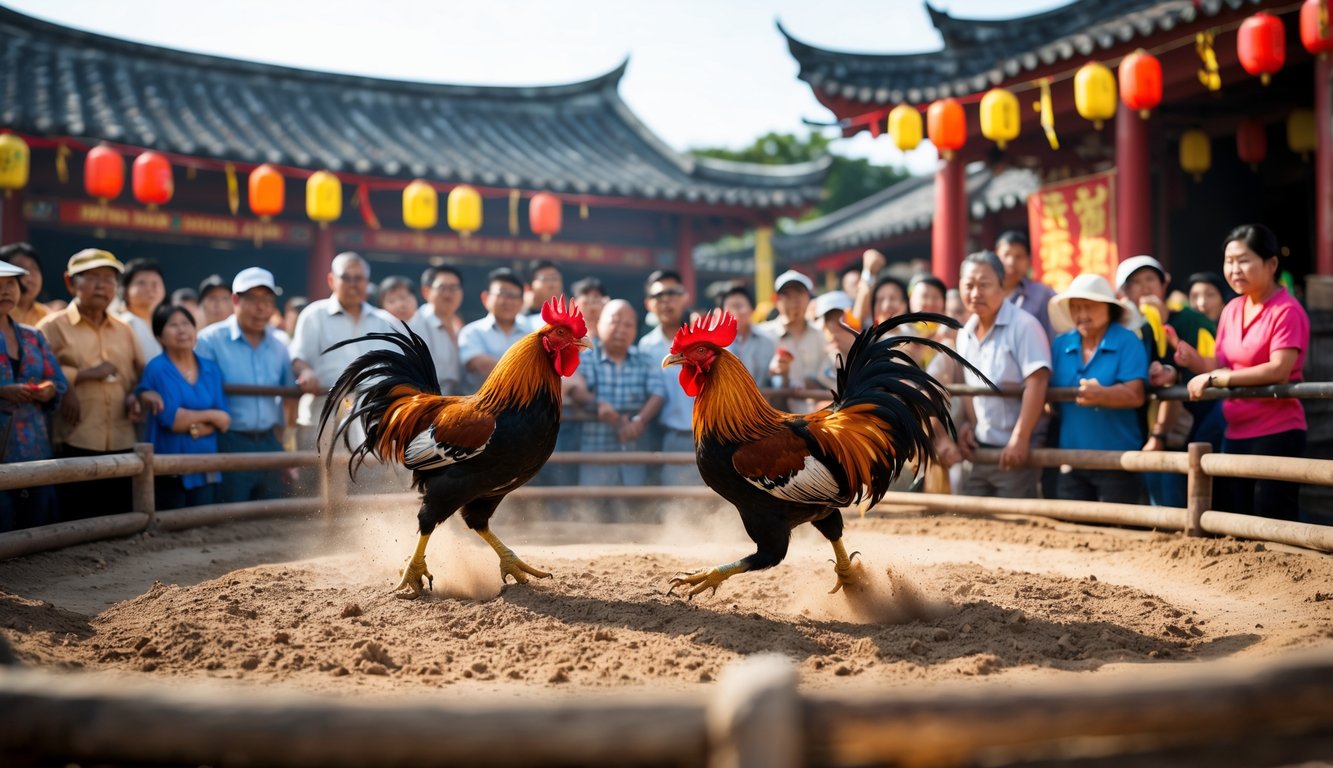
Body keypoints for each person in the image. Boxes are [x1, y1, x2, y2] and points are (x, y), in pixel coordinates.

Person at [1182, 224, 1309, 522]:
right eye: (1229, 261)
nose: (1235, 269)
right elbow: (1221, 362)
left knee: (1273, 520)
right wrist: (1193, 362)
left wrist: (1215, 378)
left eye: (1244, 260)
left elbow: (1279, 370)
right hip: (1235, 432)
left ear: (1272, 263)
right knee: (1234, 519)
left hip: (1277, 432)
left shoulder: (1286, 310)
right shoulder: (1231, 309)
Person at [36, 249, 147, 518]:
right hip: (76, 437)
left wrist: (136, 397)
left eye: (109, 279)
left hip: (122, 439)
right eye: (93, 277)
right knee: (77, 518)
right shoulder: (51, 326)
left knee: (118, 520)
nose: (103, 285)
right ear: (70, 282)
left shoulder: (124, 329)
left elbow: (138, 378)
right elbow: (34, 374)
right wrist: (77, 378)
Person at [1115, 254, 1218, 506]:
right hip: (1144, 427)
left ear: (1164, 284)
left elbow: (1212, 364)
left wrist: (1176, 373)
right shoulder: (1129, 330)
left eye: (1151, 278)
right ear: (1125, 292)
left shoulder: (1192, 320)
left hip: (1193, 424)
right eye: (1136, 282)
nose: (1146, 286)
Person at [954, 251, 1051, 499]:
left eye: (984, 285)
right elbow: (969, 386)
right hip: (980, 450)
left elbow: (1037, 382)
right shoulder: (964, 333)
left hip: (1016, 450)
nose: (975, 293)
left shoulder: (1024, 325)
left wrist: (1020, 438)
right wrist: (971, 426)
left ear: (1002, 285)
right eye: (969, 285)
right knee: (972, 522)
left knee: (1015, 524)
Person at [195, 267, 295, 503]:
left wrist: (281, 436)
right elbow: (200, 392)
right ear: (235, 300)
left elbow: (290, 391)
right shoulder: (209, 340)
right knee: (230, 515)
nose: (261, 308)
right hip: (229, 440)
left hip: (270, 440)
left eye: (268, 300)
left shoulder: (280, 344)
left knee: (271, 517)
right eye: (253, 299)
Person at [1047, 274, 1148, 503]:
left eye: (1089, 307)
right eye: (1076, 307)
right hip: (1071, 458)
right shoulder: (1061, 344)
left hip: (1118, 460)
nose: (1082, 315)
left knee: (1119, 531)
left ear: (1109, 308)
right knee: (1071, 532)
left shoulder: (1127, 340)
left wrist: (1102, 395)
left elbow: (1136, 394)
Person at [289, 252, 397, 459]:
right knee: (319, 483)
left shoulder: (384, 321)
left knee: (370, 483)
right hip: (324, 414)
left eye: (359, 279)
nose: (353, 284)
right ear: (331, 280)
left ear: (367, 282)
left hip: (371, 415)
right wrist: (306, 372)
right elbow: (298, 357)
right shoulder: (314, 315)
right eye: (346, 278)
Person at [137, 304, 229, 509]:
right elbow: (172, 419)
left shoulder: (210, 368)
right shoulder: (157, 368)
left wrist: (195, 421)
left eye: (186, 324)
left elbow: (224, 420)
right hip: (170, 466)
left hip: (206, 464)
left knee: (205, 527)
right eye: (173, 325)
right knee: (173, 529)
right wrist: (210, 416)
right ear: (159, 337)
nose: (182, 330)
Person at [569, 300, 665, 494]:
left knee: (631, 510)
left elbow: (658, 393)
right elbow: (573, 389)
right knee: (590, 511)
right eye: (614, 321)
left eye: (628, 324)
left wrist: (639, 420)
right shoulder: (584, 358)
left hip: (633, 452)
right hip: (595, 454)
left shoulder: (645, 359)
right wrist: (597, 404)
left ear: (636, 330)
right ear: (599, 324)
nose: (621, 329)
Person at [0, 260, 66, 530]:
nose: (5, 291)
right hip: (2, 449)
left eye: (11, 284)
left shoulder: (32, 336)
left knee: (38, 527)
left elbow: (58, 382)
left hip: (35, 446)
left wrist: (48, 390)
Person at [637, 269, 701, 485]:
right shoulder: (646, 345)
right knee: (675, 503)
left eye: (672, 294)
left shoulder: (702, 340)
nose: (666, 301)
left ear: (685, 297)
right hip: (671, 437)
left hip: (710, 435)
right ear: (649, 304)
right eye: (658, 296)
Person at [758, 270, 828, 413]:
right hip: (774, 419)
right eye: (787, 295)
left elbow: (829, 378)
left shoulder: (822, 336)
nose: (794, 300)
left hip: (818, 418)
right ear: (775, 299)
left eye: (799, 294)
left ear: (808, 298)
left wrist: (810, 383)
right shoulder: (763, 335)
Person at [457, 268, 534, 394]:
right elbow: (480, 365)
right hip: (479, 409)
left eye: (514, 296)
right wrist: (528, 373)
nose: (508, 301)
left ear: (522, 302)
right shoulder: (471, 332)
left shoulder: (531, 333)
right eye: (502, 294)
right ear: (485, 298)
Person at [408, 266, 464, 396]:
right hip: (428, 402)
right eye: (443, 288)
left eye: (454, 288)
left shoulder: (460, 326)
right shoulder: (415, 325)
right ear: (426, 291)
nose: (448, 294)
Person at [995, 230, 1056, 340]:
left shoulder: (1043, 295)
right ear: (995, 257)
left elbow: (1052, 337)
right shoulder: (985, 294)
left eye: (1019, 256)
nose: (1011, 262)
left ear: (1029, 260)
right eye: (1006, 254)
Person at [719, 285, 777, 385]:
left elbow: (774, 380)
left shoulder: (767, 340)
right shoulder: (716, 344)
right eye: (730, 307)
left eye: (739, 306)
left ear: (752, 309)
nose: (735, 312)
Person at [115, 257, 166, 360]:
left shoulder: (164, 325)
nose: (150, 289)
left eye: (155, 283)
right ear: (124, 290)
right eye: (141, 283)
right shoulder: (124, 322)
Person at [0, 242, 51, 327]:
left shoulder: (48, 317)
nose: (29, 278)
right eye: (21, 270)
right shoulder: (3, 314)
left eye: (34, 268)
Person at [570, 276, 608, 349]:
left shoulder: (612, 335)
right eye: (586, 303)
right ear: (574, 303)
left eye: (596, 298)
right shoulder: (566, 335)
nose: (592, 305)